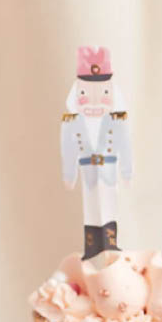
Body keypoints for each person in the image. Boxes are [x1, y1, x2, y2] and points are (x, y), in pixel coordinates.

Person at [60, 46, 132, 259]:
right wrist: (69, 174)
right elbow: (68, 148)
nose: (94, 101)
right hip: (87, 171)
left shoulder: (117, 120)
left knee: (109, 205)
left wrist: (127, 171)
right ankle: (91, 246)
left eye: (103, 93)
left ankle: (110, 242)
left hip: (109, 168)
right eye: (85, 93)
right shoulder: (72, 122)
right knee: (90, 208)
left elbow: (125, 145)